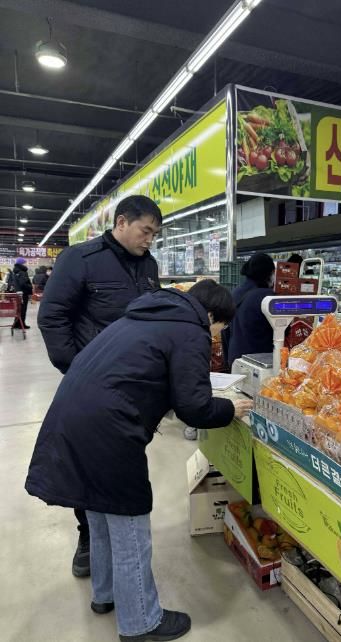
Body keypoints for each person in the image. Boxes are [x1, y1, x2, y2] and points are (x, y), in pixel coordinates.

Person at [25, 280, 253, 642]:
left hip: (72, 417)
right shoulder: (190, 330)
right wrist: (229, 408)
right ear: (211, 316)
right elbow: (194, 407)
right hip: (109, 429)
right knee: (129, 521)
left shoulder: (141, 316)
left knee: (99, 512)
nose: (215, 337)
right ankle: (140, 623)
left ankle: (105, 594)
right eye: (219, 328)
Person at [38, 194, 162, 579]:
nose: (150, 240)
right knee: (89, 460)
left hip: (135, 385)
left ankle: (113, 533)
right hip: (91, 384)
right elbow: (52, 316)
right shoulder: (80, 259)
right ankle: (88, 535)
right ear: (121, 222)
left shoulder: (149, 265)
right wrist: (77, 369)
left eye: (155, 234)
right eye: (145, 231)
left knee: (121, 462)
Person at [227, 252, 275, 368]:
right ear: (268, 273)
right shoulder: (267, 296)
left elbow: (225, 330)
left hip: (235, 358)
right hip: (258, 361)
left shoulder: (234, 293)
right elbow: (282, 329)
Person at [12, 257, 33, 329]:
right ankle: (22, 325)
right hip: (23, 293)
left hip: (18, 292)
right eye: (24, 263)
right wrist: (30, 286)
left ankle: (16, 324)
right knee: (23, 309)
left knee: (19, 309)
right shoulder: (22, 272)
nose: (26, 264)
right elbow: (23, 283)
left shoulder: (15, 271)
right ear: (21, 263)